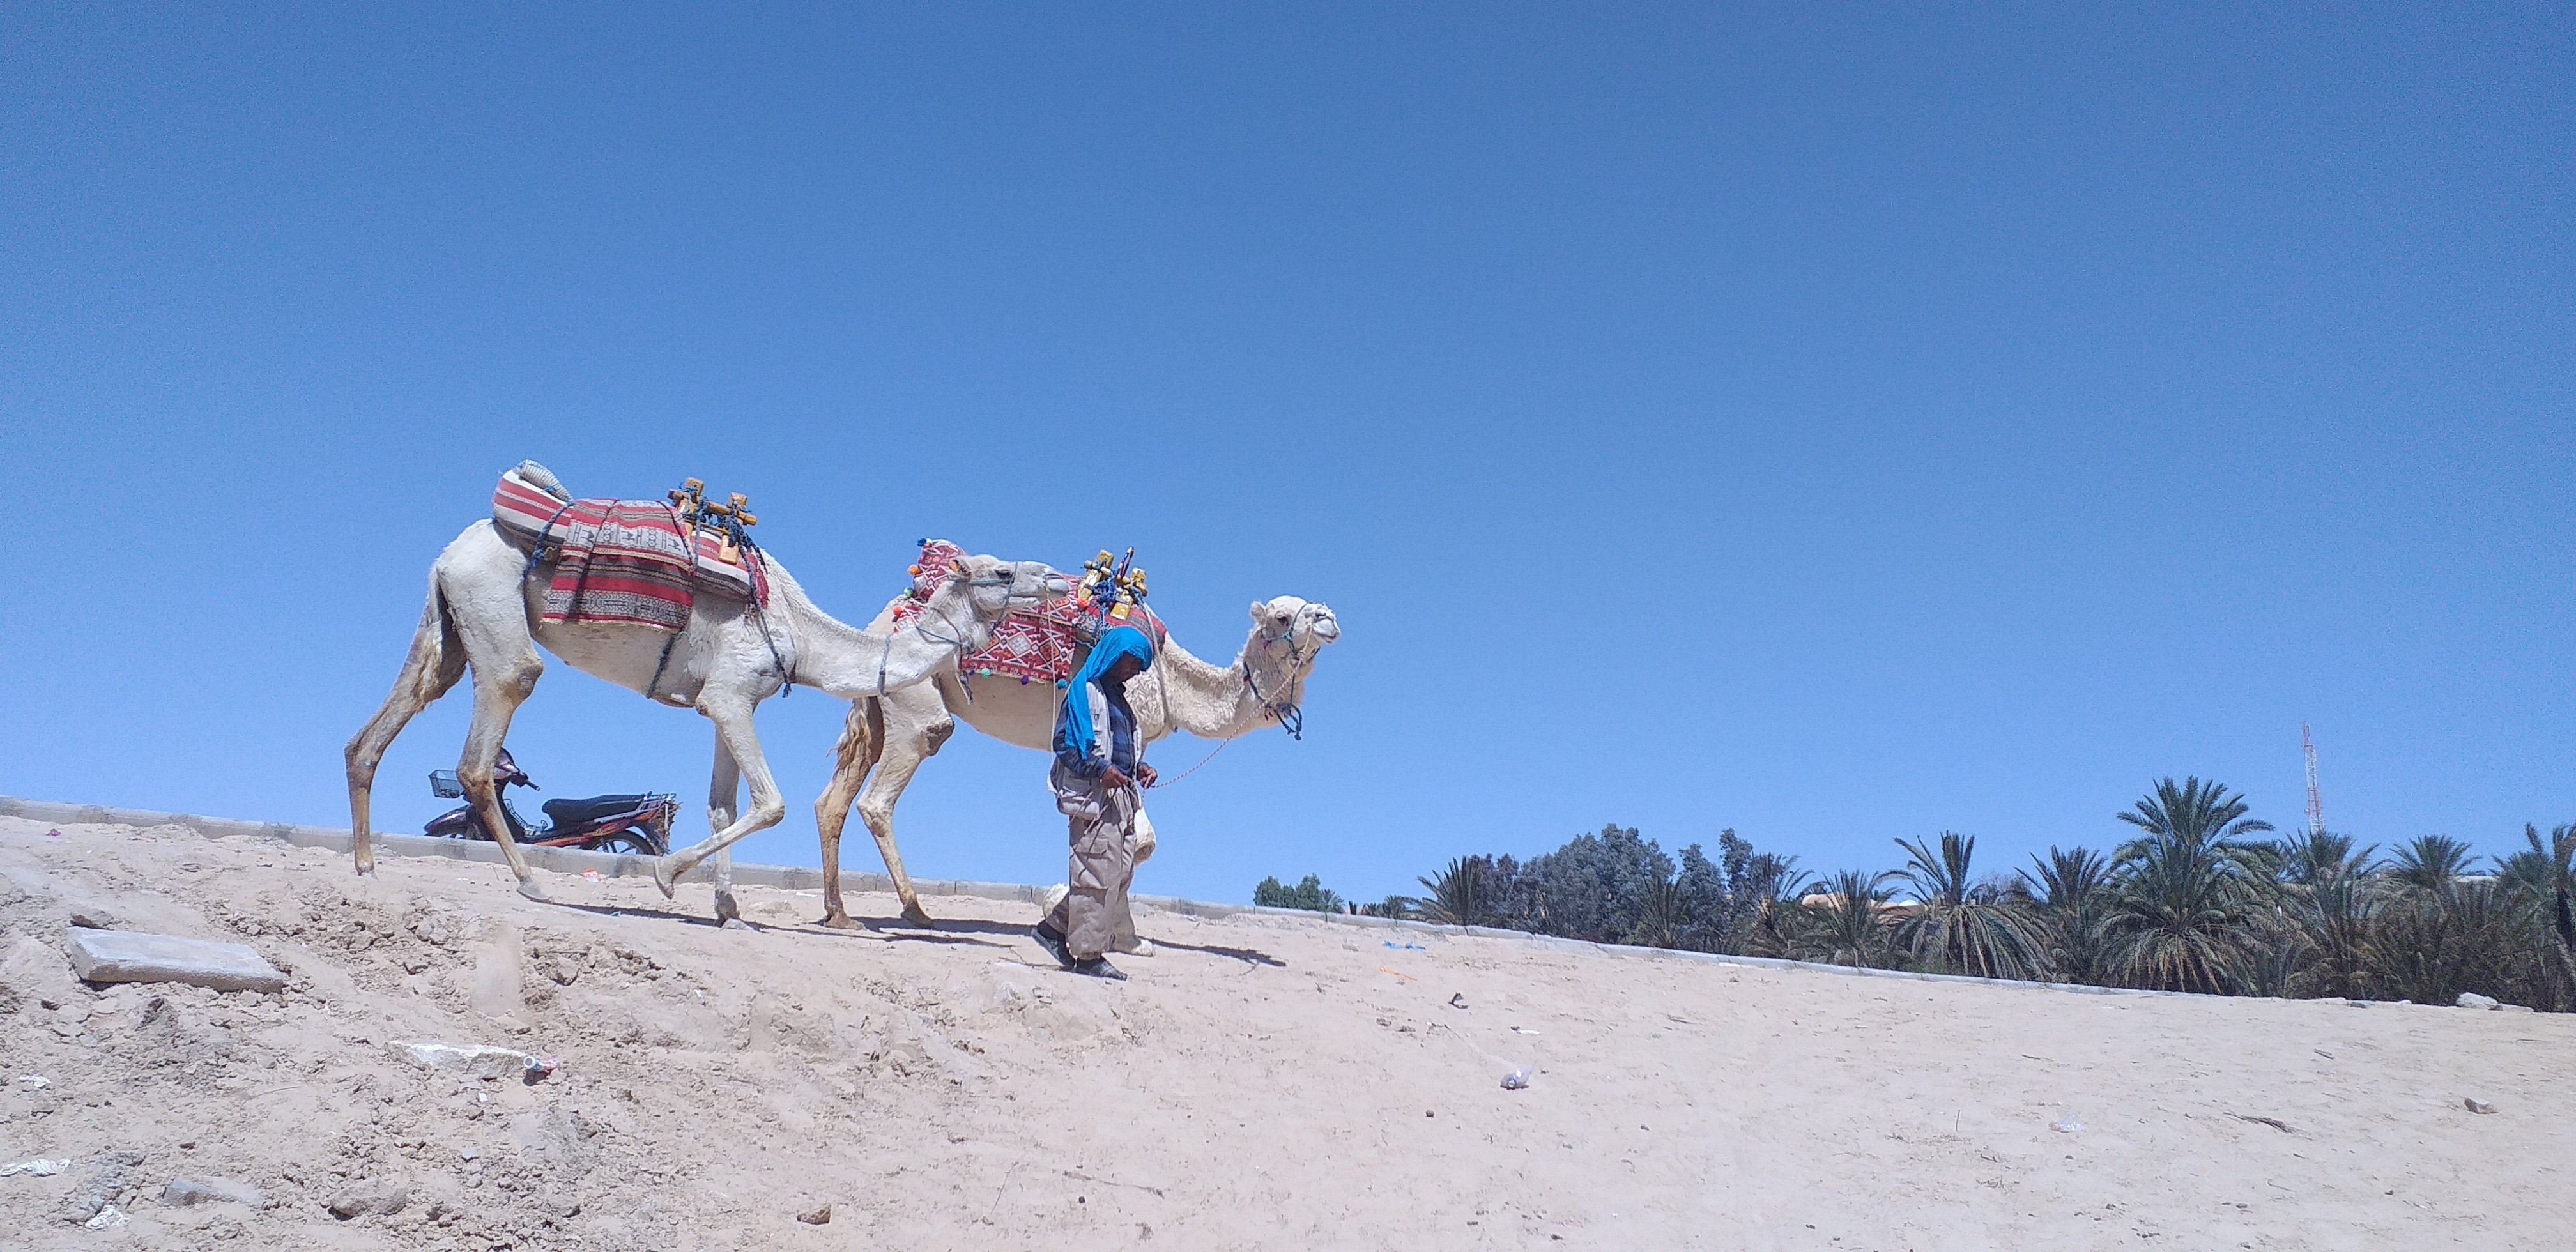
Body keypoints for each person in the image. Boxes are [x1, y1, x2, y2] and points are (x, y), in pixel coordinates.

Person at [1031, 623, 1158, 979]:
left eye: (1139, 665)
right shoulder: (1083, 694)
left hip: (1121, 799)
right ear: (1114, 657)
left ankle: (1054, 928)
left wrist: (1139, 767)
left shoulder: (1121, 702)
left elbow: (1119, 750)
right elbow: (1065, 746)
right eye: (1132, 662)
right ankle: (1088, 957)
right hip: (1093, 799)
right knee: (1096, 875)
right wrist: (1100, 771)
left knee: (1117, 875)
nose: (1135, 671)